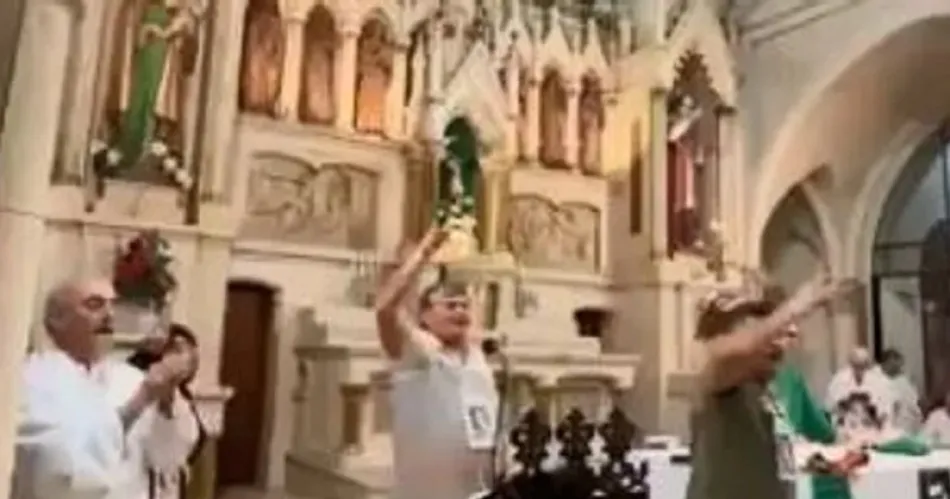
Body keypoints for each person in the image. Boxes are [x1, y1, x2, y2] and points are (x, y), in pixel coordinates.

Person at [13, 278, 197, 499]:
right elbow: (62, 464)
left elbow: (167, 458)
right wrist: (141, 399)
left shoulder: (131, 378)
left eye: (113, 305)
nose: (109, 315)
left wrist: (166, 400)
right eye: (94, 305)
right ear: (57, 320)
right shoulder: (32, 379)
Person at [686, 275, 852, 499]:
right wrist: (795, 307)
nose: (777, 337)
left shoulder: (772, 384)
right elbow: (737, 349)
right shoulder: (715, 375)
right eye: (755, 322)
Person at [375, 227, 499, 499]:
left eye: (464, 305)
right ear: (425, 315)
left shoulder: (475, 355)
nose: (460, 311)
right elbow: (385, 308)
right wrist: (422, 254)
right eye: (450, 305)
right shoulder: (418, 353)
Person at [127, 323, 205, 499]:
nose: (188, 359)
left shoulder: (183, 396)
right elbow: (158, 452)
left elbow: (190, 444)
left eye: (191, 352)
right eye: (178, 350)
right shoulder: (136, 387)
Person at [825, 347, 896, 439]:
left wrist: (873, 413)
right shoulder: (839, 380)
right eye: (856, 365)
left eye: (862, 365)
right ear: (850, 364)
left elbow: (885, 410)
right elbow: (829, 406)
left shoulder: (878, 381)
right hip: (846, 427)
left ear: (867, 365)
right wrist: (845, 406)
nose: (859, 369)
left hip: (870, 429)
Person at [880, 349, 921, 434]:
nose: (897, 366)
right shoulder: (880, 381)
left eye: (897, 364)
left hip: (906, 426)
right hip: (891, 427)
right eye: (891, 363)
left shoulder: (905, 382)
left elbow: (914, 404)